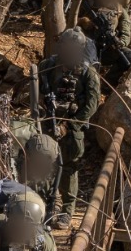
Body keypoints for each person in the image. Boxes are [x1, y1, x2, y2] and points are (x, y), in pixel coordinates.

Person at [34, 28, 101, 214]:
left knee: (69, 168)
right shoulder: (47, 66)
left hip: (72, 128)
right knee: (43, 163)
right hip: (48, 122)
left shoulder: (88, 74)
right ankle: (45, 205)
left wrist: (69, 125)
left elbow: (91, 106)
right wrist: (42, 108)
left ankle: (67, 210)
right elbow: (35, 91)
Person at [81, 0, 131, 86]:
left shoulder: (119, 9)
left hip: (107, 48)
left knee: (128, 57)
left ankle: (107, 84)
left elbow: (126, 31)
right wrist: (83, 22)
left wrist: (121, 43)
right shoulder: (87, 2)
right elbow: (68, 21)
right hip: (84, 48)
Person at [8, 122, 63, 220]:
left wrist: (53, 211)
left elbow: (56, 197)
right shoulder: (12, 170)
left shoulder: (47, 173)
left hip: (36, 216)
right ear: (27, 156)